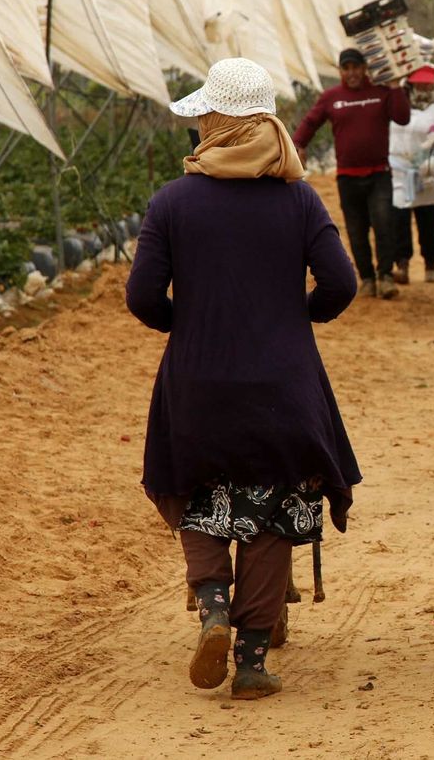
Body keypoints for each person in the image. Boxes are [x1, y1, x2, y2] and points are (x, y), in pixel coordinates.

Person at [128, 58, 360, 700]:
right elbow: (341, 283)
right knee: (273, 509)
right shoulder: (298, 198)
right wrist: (297, 318)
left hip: (197, 377)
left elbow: (143, 295)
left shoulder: (172, 202)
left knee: (200, 489)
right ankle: (253, 663)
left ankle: (212, 608)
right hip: (282, 382)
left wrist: (189, 321)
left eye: (204, 115)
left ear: (218, 124)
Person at [293, 48, 411, 298]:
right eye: (346, 68)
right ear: (340, 71)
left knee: (383, 225)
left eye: (356, 67)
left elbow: (402, 117)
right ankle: (367, 279)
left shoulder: (381, 91)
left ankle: (386, 277)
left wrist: (395, 87)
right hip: (347, 176)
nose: (352, 73)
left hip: (379, 173)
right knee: (356, 231)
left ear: (365, 68)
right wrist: (297, 145)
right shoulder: (331, 97)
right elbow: (310, 123)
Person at [389, 64, 434, 284]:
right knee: (399, 219)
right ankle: (402, 264)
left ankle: (431, 264)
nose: (423, 88)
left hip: (425, 171)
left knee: (427, 219)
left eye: (427, 84)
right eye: (419, 84)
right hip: (398, 170)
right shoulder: (398, 106)